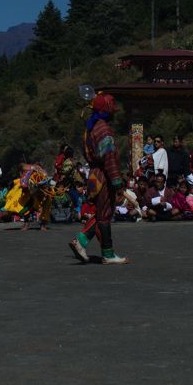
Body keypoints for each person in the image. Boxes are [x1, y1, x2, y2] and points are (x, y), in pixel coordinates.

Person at [70, 92, 129, 264]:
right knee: (104, 215)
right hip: (104, 175)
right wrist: (117, 182)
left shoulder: (91, 128)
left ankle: (82, 242)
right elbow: (109, 157)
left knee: (101, 213)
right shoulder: (104, 129)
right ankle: (106, 253)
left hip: (94, 175)